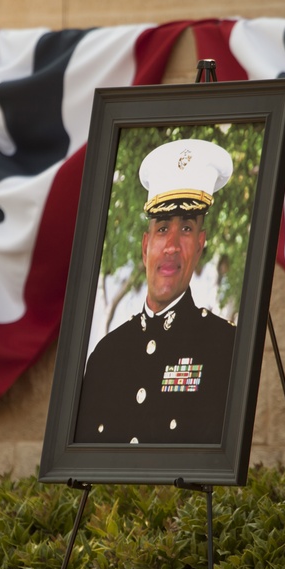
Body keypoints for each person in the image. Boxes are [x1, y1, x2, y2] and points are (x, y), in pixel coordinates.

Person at [74, 138, 237, 445]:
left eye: (186, 229)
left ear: (201, 245)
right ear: (146, 246)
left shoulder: (226, 348)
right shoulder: (105, 356)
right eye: (162, 228)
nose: (172, 246)